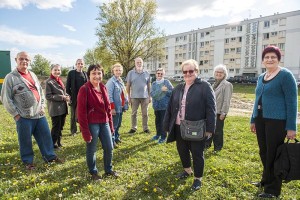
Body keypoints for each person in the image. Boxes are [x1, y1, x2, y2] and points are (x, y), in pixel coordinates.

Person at [1, 51, 63, 170]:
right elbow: (5, 98)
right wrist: (16, 114)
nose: (24, 61)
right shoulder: (10, 77)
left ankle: (50, 156)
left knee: (45, 137)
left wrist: (43, 106)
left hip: (38, 114)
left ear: (29, 61)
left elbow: (40, 92)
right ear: (16, 60)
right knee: (25, 140)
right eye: (21, 59)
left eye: (27, 59)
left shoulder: (33, 74)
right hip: (23, 117)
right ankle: (28, 162)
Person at [250, 46, 297, 198]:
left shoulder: (285, 75)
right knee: (264, 151)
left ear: (278, 59)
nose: (270, 59)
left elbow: (292, 102)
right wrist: (253, 119)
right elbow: (257, 99)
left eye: (273, 57)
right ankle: (265, 180)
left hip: (277, 121)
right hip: (261, 119)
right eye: (267, 57)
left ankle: (273, 190)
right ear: (263, 60)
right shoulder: (261, 76)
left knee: (274, 154)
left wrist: (291, 127)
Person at [163, 59, 216, 190]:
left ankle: (198, 179)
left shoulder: (205, 86)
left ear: (196, 71)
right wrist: (166, 126)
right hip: (178, 126)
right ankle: (187, 170)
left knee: (197, 153)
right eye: (185, 71)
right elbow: (170, 108)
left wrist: (210, 129)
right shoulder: (178, 88)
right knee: (182, 150)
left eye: (191, 71)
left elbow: (211, 108)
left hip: (196, 127)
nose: (187, 74)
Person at [77, 64, 118, 181]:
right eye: (93, 73)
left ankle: (108, 170)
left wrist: (110, 126)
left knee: (109, 148)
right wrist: (85, 132)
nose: (97, 76)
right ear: (89, 75)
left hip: (104, 122)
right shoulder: (84, 89)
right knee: (92, 149)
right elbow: (81, 113)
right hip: (92, 124)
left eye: (99, 73)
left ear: (102, 74)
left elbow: (108, 109)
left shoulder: (103, 87)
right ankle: (93, 172)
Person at [205, 64, 233, 152]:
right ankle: (207, 144)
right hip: (211, 111)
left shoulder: (227, 85)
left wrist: (224, 112)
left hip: (219, 112)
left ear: (224, 74)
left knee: (218, 131)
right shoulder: (214, 84)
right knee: (209, 128)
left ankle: (218, 147)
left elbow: (226, 100)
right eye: (217, 72)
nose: (218, 73)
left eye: (221, 72)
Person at [45, 64, 70, 149]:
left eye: (58, 70)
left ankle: (59, 142)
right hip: (55, 109)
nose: (57, 71)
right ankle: (52, 144)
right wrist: (62, 97)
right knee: (56, 127)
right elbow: (48, 96)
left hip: (63, 108)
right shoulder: (49, 82)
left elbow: (63, 92)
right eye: (55, 70)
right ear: (51, 71)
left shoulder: (59, 80)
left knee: (61, 126)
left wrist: (67, 96)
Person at [126, 57, 151, 134]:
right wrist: (129, 97)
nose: (139, 64)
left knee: (145, 114)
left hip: (145, 97)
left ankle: (145, 128)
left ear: (142, 63)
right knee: (133, 113)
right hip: (134, 97)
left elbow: (149, 85)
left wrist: (150, 96)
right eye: (137, 62)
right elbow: (128, 85)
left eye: (140, 62)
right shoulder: (130, 73)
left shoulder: (147, 73)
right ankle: (133, 128)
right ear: (135, 63)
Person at [106, 63, 128, 148]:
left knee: (118, 124)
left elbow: (124, 94)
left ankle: (116, 138)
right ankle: (111, 141)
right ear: (113, 71)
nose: (118, 72)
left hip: (120, 107)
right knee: (113, 126)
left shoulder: (120, 81)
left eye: (120, 70)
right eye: (116, 70)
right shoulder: (111, 82)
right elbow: (109, 96)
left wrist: (125, 106)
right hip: (114, 108)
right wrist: (112, 108)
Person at [150, 68, 173, 144]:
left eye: (161, 73)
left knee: (164, 122)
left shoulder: (166, 82)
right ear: (156, 74)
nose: (159, 75)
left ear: (164, 74)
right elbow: (153, 94)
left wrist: (166, 91)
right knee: (157, 122)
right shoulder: (153, 84)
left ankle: (163, 137)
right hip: (156, 106)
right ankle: (157, 134)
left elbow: (172, 93)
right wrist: (161, 90)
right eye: (158, 73)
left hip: (165, 106)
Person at [66, 59, 87, 136]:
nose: (80, 65)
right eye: (78, 63)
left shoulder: (85, 73)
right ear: (76, 64)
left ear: (83, 65)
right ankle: (73, 131)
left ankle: (82, 128)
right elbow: (67, 86)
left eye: (81, 63)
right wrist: (69, 96)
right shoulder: (71, 73)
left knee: (83, 114)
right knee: (73, 115)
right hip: (74, 97)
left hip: (83, 97)